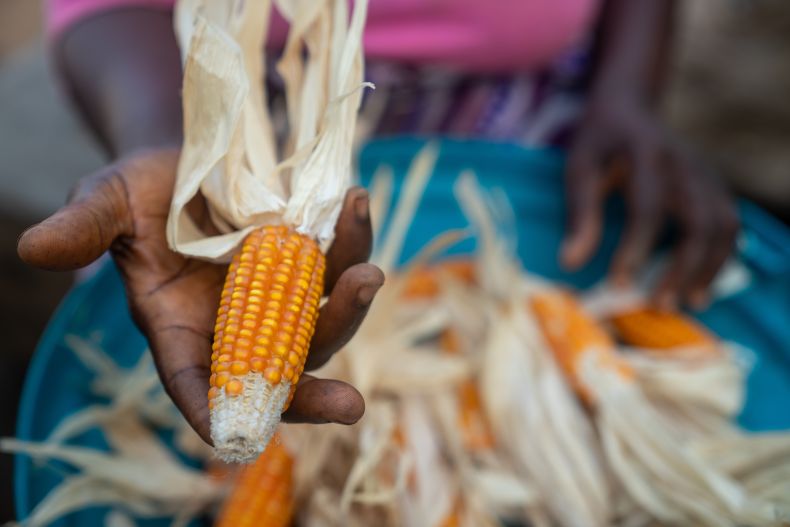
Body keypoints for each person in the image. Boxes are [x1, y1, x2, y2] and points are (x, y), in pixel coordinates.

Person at [18, 0, 737, 445]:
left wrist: (628, 90)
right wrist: (172, 144)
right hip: (236, 128)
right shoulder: (220, 154)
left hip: (520, 117)